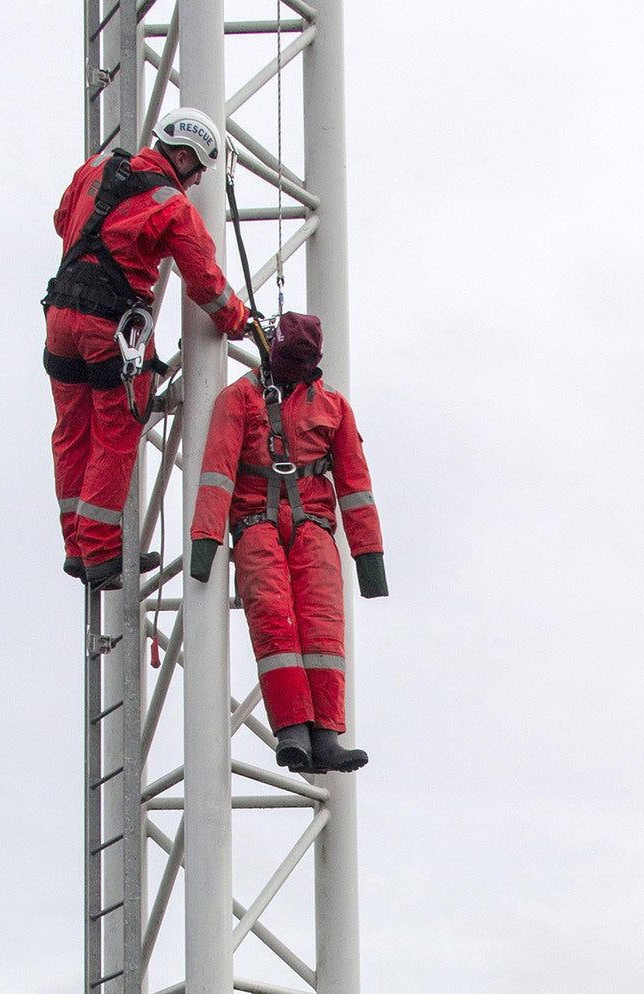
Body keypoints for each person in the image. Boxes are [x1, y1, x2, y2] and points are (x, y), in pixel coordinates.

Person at [42, 107, 251, 589]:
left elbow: (62, 220)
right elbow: (207, 284)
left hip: (60, 317)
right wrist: (241, 321)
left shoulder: (96, 168)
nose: (197, 180)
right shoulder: (172, 207)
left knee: (72, 430)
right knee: (115, 432)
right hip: (109, 327)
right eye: (196, 169)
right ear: (181, 156)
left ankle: (76, 549)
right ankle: (99, 556)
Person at [188, 312, 388, 773]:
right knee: (274, 620)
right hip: (257, 523)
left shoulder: (333, 406)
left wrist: (369, 559)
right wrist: (205, 543)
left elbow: (355, 486)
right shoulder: (239, 399)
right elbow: (217, 474)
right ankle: (293, 731)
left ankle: (327, 736)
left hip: (313, 526)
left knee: (322, 627)